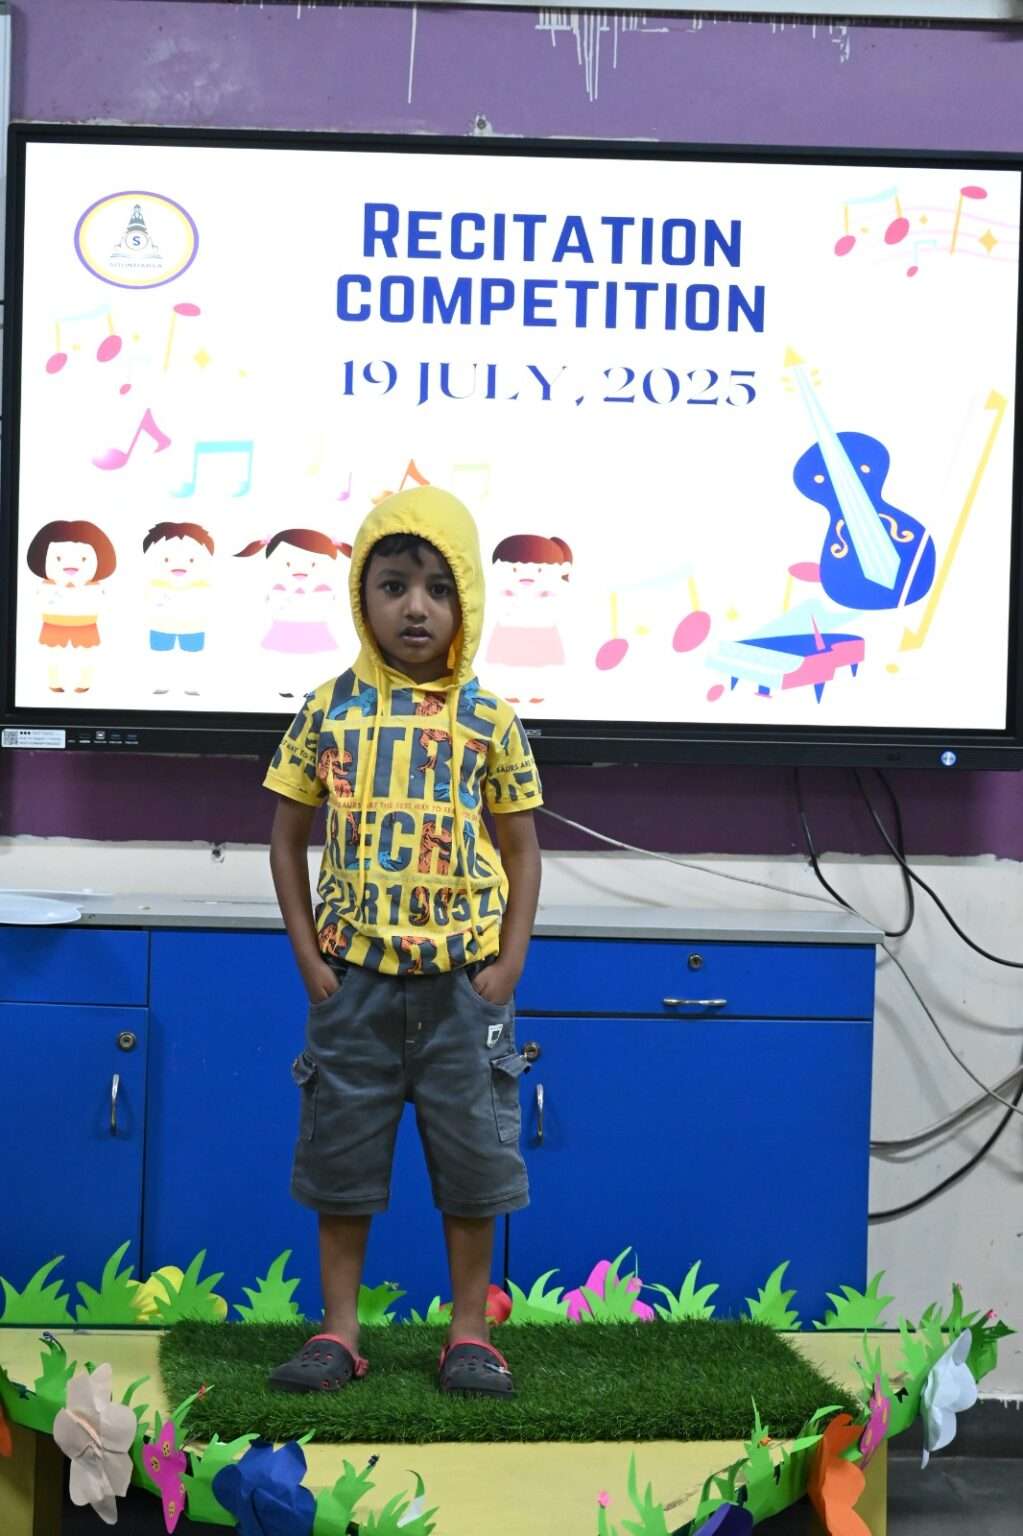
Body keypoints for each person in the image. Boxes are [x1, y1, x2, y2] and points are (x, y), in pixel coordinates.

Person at [263, 484, 543, 1398]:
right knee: (341, 1165)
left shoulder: (488, 718)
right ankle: (339, 1332)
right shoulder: (327, 710)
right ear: (362, 597)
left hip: (465, 991)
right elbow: (286, 839)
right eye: (392, 586)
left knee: (474, 1167)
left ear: (466, 599)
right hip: (355, 989)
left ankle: (470, 1335)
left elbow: (521, 848)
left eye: (437, 587)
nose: (415, 607)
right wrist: (311, 961)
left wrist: (507, 964)